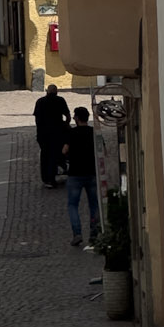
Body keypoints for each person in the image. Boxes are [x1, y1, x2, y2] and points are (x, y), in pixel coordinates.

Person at [61, 105, 100, 247]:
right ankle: (94, 233)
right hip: (92, 172)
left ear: (77, 118)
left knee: (73, 205)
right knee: (94, 205)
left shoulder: (72, 133)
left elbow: (64, 150)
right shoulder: (93, 132)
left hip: (75, 173)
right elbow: (102, 151)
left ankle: (77, 234)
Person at [33, 82, 70, 187]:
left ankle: (46, 179)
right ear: (57, 92)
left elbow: (37, 119)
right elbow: (67, 116)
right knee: (54, 155)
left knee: (45, 155)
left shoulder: (40, 101)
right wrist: (66, 125)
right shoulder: (60, 100)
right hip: (57, 133)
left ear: (46, 91)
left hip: (43, 134)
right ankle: (52, 177)